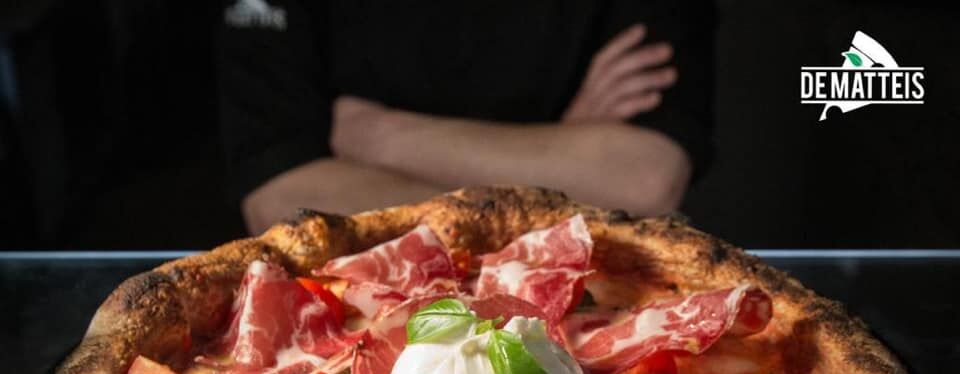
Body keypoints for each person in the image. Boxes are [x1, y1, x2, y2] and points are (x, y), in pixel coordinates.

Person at [217, 1, 715, 234]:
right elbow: (280, 199)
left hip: (584, 301)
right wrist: (559, 159)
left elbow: (645, 178)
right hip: (349, 303)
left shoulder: (369, 134)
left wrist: (379, 138)